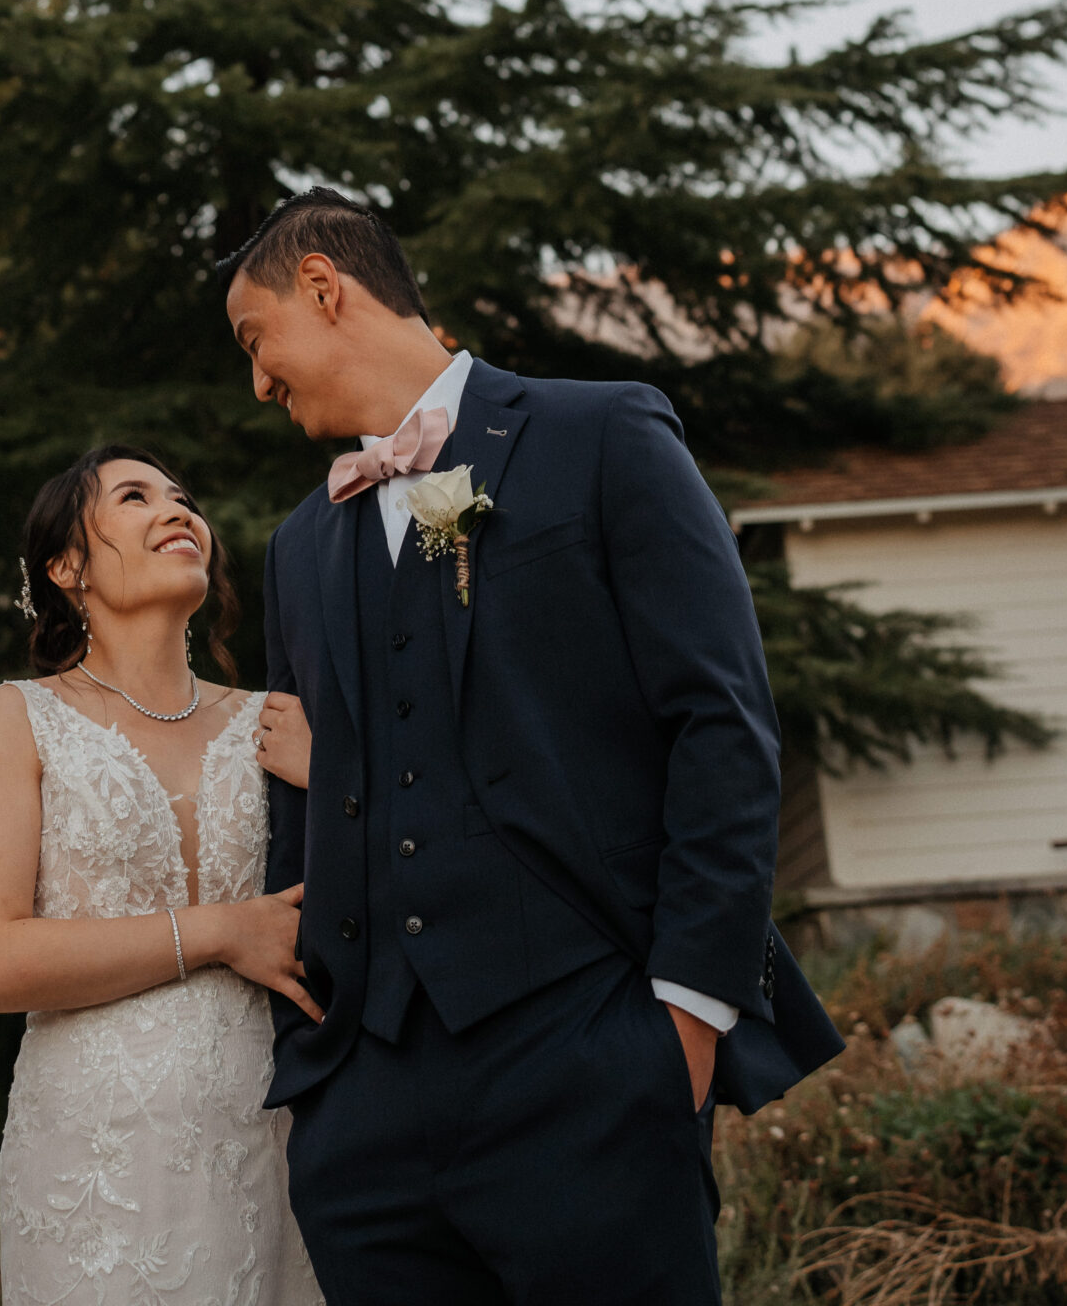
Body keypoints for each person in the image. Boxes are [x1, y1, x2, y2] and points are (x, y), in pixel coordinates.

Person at [226, 188, 845, 1306]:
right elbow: (300, 813)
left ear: (324, 286)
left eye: (254, 337)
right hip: (365, 1107)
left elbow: (722, 723)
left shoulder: (600, 434)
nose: (256, 379)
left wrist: (686, 1023)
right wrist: (320, 1075)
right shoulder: (299, 547)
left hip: (591, 1062)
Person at [0, 444, 324, 1306]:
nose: (176, 509)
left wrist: (341, 782)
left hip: (276, 1130)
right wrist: (224, 931)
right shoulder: (18, 721)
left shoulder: (275, 722)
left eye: (183, 496)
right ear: (67, 565)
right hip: (97, 1160)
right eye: (133, 495)